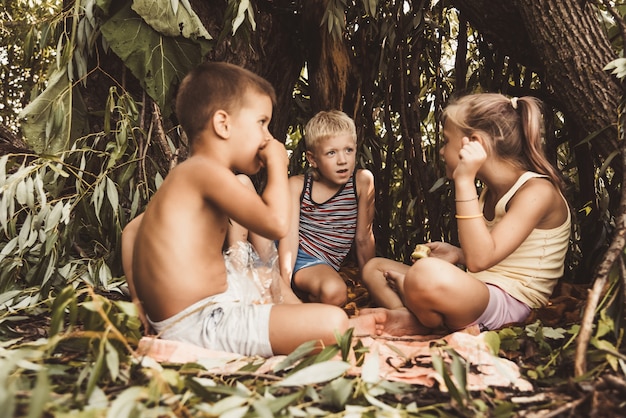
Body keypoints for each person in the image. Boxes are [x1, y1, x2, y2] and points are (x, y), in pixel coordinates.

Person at [121, 62, 382, 357]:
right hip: (203, 323)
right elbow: (275, 224)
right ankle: (304, 323)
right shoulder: (206, 172)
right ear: (223, 124)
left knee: (266, 275)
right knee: (333, 324)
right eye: (261, 123)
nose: (268, 138)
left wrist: (138, 303)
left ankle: (295, 317)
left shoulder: (189, 176)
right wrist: (277, 163)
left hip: (203, 306)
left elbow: (131, 231)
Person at [361, 93, 571, 336]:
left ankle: (416, 312)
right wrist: (458, 254)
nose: (441, 151)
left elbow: (481, 259)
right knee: (374, 268)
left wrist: (464, 180)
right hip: (479, 290)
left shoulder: (537, 192)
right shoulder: (489, 192)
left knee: (424, 274)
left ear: (474, 144)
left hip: (512, 303)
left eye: (446, 140)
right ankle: (408, 315)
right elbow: (494, 253)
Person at [278, 110, 376, 306]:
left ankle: (310, 296)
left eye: (348, 150)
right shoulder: (298, 186)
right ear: (312, 159)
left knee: (334, 293)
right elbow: (289, 238)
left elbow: (364, 237)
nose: (342, 160)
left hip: (323, 263)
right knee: (334, 292)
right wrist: (285, 288)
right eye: (331, 153)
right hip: (298, 255)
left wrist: (371, 282)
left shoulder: (362, 182)